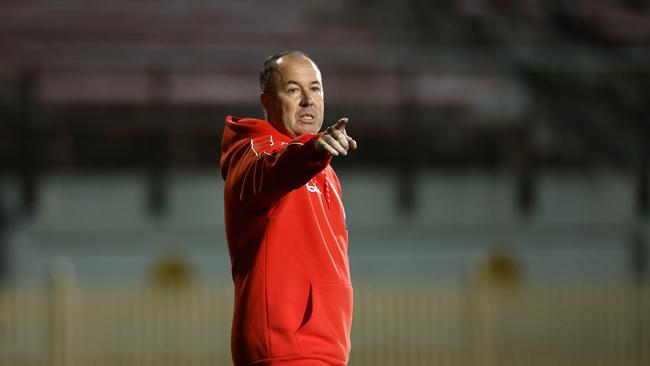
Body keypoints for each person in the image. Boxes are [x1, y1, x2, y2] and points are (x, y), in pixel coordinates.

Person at [220, 51, 357, 366]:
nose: (308, 100)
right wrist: (311, 151)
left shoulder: (325, 170)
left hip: (324, 348)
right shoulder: (253, 152)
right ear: (267, 102)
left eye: (316, 88)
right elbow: (272, 171)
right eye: (294, 90)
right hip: (283, 349)